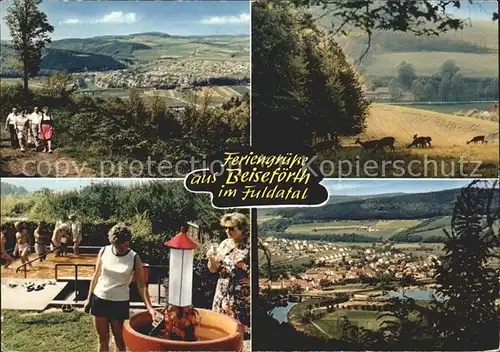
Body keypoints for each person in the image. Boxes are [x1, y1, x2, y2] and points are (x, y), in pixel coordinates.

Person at [84, 225, 156, 352]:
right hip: (99, 299)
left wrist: (150, 308)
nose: (124, 247)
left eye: (126, 244)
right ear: (113, 242)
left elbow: (141, 285)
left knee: (120, 340)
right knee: (102, 339)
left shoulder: (134, 258)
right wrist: (88, 299)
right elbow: (96, 276)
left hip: (119, 303)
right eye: (120, 245)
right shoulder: (103, 251)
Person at [208, 212, 250, 332]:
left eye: (231, 228)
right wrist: (211, 258)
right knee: (220, 328)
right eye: (225, 228)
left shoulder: (250, 246)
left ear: (242, 228)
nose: (227, 231)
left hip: (239, 295)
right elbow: (213, 269)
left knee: (237, 330)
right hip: (222, 292)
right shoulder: (224, 244)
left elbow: (262, 267)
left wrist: (251, 281)